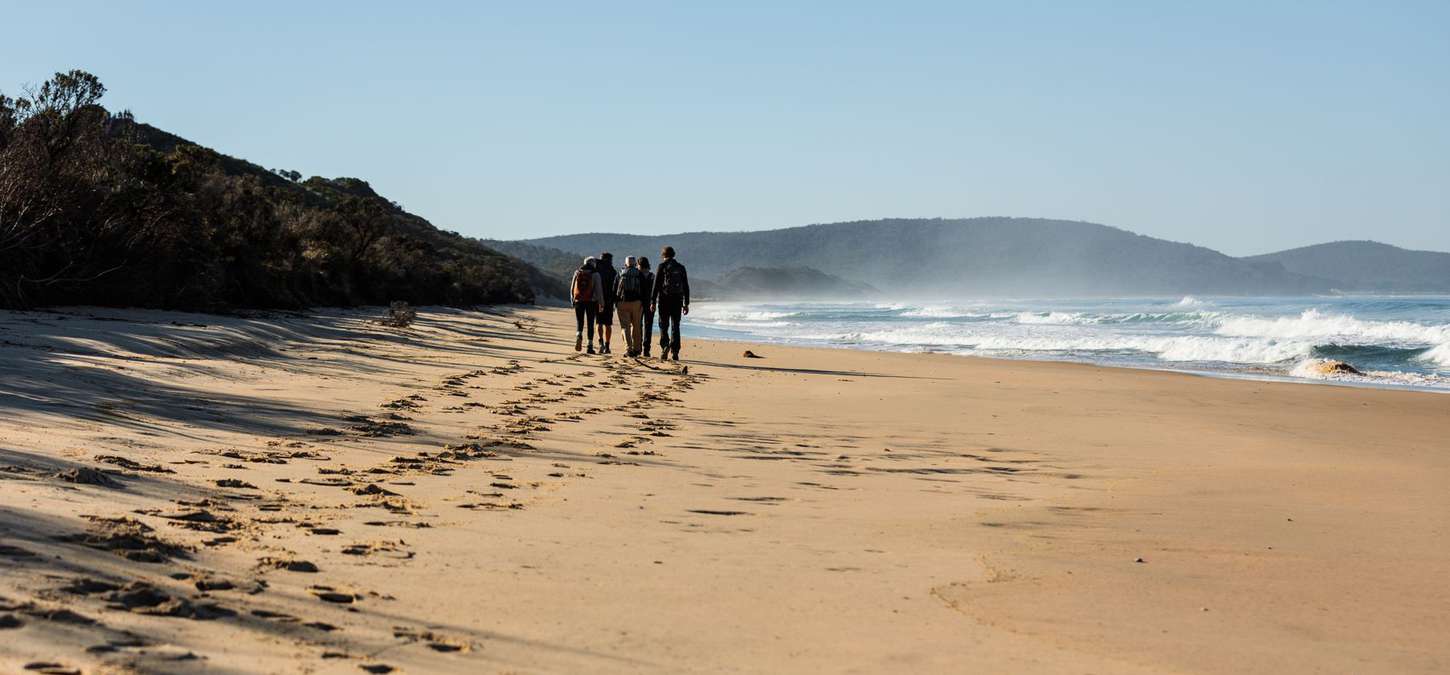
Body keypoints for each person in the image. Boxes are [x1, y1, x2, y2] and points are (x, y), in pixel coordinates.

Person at [649, 245, 690, 361]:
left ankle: (665, 346)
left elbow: (656, 286)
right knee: (675, 325)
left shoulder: (662, 266)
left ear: (663, 255)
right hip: (677, 300)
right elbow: (686, 286)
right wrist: (686, 303)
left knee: (663, 325)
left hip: (664, 299)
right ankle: (675, 351)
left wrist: (652, 301)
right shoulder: (681, 267)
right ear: (674, 255)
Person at [570, 257, 604, 354]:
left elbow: (572, 287)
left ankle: (579, 335)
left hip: (578, 301)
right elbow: (599, 290)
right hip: (591, 302)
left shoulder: (577, 272)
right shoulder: (596, 274)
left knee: (579, 321)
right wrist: (601, 303)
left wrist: (572, 300)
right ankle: (589, 346)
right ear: (593, 264)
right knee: (590, 323)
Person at [614, 256, 646, 357]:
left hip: (622, 303)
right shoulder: (639, 274)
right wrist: (643, 303)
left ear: (625, 264)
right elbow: (644, 290)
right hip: (636, 303)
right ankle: (637, 349)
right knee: (636, 326)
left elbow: (614, 288)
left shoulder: (620, 273)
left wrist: (615, 302)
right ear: (635, 264)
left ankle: (628, 349)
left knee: (625, 327)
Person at [595, 252, 618, 354]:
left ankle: (601, 343)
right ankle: (607, 346)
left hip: (597, 300)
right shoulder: (612, 271)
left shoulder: (596, 269)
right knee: (608, 324)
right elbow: (616, 287)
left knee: (599, 322)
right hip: (609, 301)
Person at [637, 257, 656, 358]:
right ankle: (646, 349)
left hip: (638, 303)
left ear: (639, 265)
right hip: (650, 303)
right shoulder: (652, 276)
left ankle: (638, 347)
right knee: (648, 326)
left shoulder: (637, 275)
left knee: (638, 325)